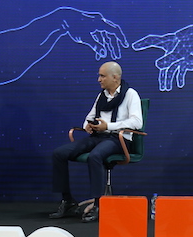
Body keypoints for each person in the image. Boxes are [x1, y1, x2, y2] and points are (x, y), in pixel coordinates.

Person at [50, 61, 143, 223]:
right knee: (59, 153)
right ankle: (67, 200)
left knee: (95, 156)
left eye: (102, 76)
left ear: (115, 78)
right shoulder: (102, 96)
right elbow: (89, 117)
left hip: (118, 139)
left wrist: (109, 126)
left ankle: (99, 204)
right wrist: (88, 125)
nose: (99, 79)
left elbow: (137, 122)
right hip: (98, 137)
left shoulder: (130, 94)